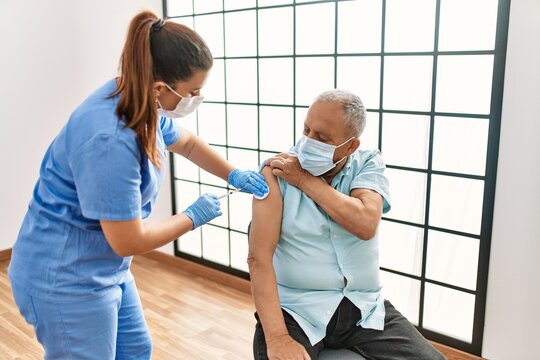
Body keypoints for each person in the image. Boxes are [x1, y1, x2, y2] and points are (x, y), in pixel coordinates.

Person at [8, 10, 268, 360]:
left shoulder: (142, 98)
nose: (197, 98)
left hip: (104, 266)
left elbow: (187, 144)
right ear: (160, 87)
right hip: (63, 277)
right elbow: (128, 240)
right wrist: (192, 216)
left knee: (135, 350)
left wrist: (233, 174)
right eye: (193, 91)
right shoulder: (109, 140)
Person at [248, 90, 445, 360]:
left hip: (363, 308)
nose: (307, 141)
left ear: (350, 146)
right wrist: (278, 337)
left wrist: (305, 180)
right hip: (296, 310)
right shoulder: (276, 171)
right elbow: (258, 258)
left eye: (321, 138)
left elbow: (365, 223)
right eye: (306, 129)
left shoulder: (366, 163)